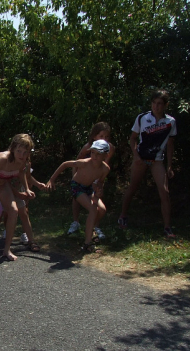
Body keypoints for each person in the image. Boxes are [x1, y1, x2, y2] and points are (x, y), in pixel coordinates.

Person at [118, 90, 177, 238]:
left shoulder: (170, 122)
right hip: (141, 158)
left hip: (157, 159)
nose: (156, 107)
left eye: (159, 104)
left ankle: (167, 227)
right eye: (154, 103)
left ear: (165, 105)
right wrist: (136, 155)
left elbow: (170, 145)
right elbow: (132, 138)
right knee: (133, 186)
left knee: (164, 191)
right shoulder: (142, 118)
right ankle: (123, 216)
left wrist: (169, 165)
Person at [47, 140, 111, 253]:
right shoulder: (85, 163)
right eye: (93, 153)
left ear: (105, 155)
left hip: (89, 188)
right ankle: (87, 242)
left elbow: (100, 182)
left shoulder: (105, 169)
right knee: (93, 209)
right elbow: (65, 164)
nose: (94, 156)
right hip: (77, 186)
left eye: (98, 154)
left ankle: (92, 229)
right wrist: (52, 180)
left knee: (102, 210)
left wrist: (99, 190)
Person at [0, 134, 36, 261]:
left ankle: (7, 249)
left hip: (3, 185)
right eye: (19, 151)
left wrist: (27, 189)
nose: (21, 155)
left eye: (25, 152)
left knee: (14, 211)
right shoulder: (2, 159)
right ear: (13, 148)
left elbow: (22, 173)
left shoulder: (23, 161)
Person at [67, 122, 115, 238]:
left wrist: (99, 183)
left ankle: (94, 226)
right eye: (101, 136)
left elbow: (105, 165)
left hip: (96, 178)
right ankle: (76, 222)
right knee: (77, 199)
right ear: (94, 136)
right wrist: (75, 178)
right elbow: (76, 162)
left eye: (107, 137)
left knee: (99, 206)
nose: (105, 139)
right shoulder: (88, 147)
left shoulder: (110, 149)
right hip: (82, 179)